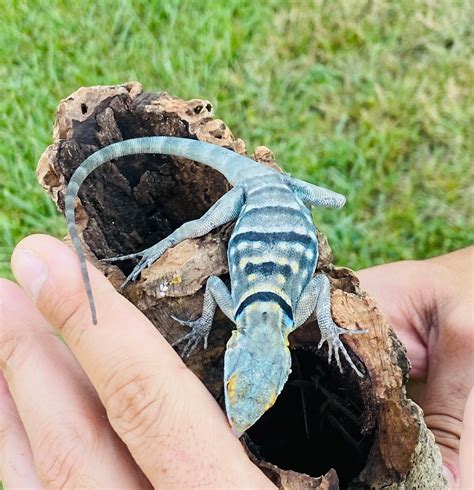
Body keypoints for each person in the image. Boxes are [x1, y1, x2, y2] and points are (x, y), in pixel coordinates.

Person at [0, 235, 472, 488]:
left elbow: (320, 288)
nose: (238, 418)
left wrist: (328, 327)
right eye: (238, 391)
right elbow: (234, 287)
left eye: (261, 399)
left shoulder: (269, 316)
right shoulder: (265, 311)